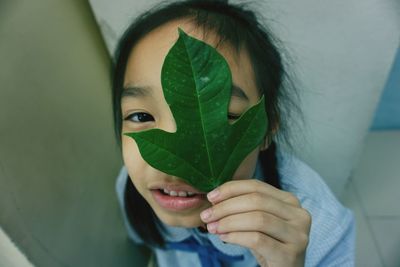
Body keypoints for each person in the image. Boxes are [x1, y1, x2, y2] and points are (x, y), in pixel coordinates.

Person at [111, 1, 355, 266]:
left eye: (225, 116)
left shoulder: (323, 229)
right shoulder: (133, 188)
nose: (176, 168)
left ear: (266, 129)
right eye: (141, 116)